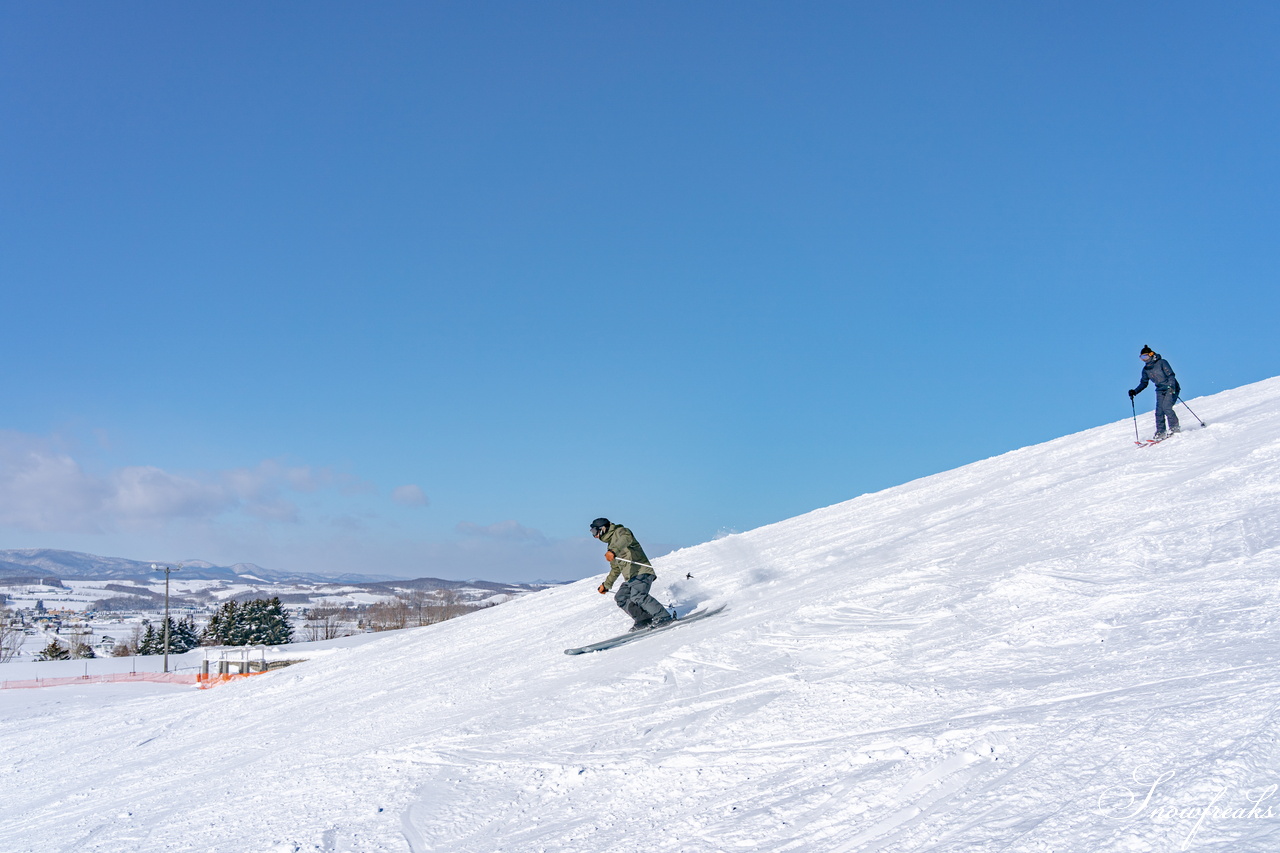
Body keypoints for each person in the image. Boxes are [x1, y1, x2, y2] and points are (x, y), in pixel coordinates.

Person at [590, 517, 674, 632]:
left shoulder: (621, 532)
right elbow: (615, 569)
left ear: (603, 529)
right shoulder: (610, 546)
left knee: (638, 595)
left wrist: (613, 551)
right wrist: (606, 585)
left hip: (642, 572)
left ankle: (663, 617)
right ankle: (644, 619)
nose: (595, 536)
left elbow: (626, 539)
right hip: (631, 577)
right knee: (621, 597)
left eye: (594, 532)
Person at [1129, 345, 1181, 439]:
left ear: (1151, 354)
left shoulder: (1162, 362)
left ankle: (1174, 428)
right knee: (1159, 412)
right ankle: (1160, 432)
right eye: (1141, 358)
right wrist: (1135, 391)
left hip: (1171, 387)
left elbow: (1171, 375)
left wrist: (1172, 386)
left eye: (1145, 356)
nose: (1144, 359)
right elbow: (1144, 383)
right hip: (1160, 390)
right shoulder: (1146, 370)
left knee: (1167, 408)